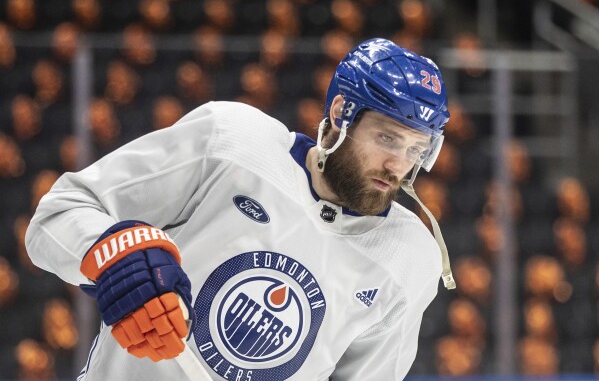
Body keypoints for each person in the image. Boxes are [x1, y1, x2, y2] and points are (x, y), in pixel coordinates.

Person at [25, 38, 455, 381]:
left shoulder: (409, 255)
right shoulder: (232, 142)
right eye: (388, 139)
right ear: (343, 113)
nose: (400, 165)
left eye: (417, 148)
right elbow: (58, 214)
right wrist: (112, 253)